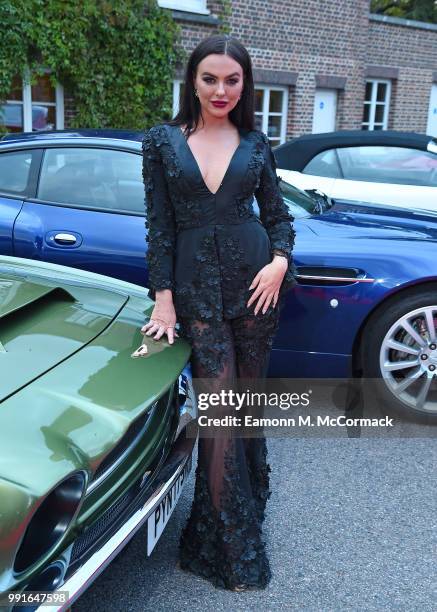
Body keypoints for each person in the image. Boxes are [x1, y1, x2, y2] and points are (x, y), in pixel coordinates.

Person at [133, 33, 296, 591]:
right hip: (196, 294)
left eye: (232, 79)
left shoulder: (256, 142)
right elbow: (159, 227)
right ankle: (229, 549)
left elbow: (277, 216)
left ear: (244, 83)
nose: (221, 89)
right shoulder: (161, 142)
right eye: (210, 78)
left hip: (257, 291)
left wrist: (279, 261)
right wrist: (163, 300)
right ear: (193, 81)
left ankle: (248, 513)